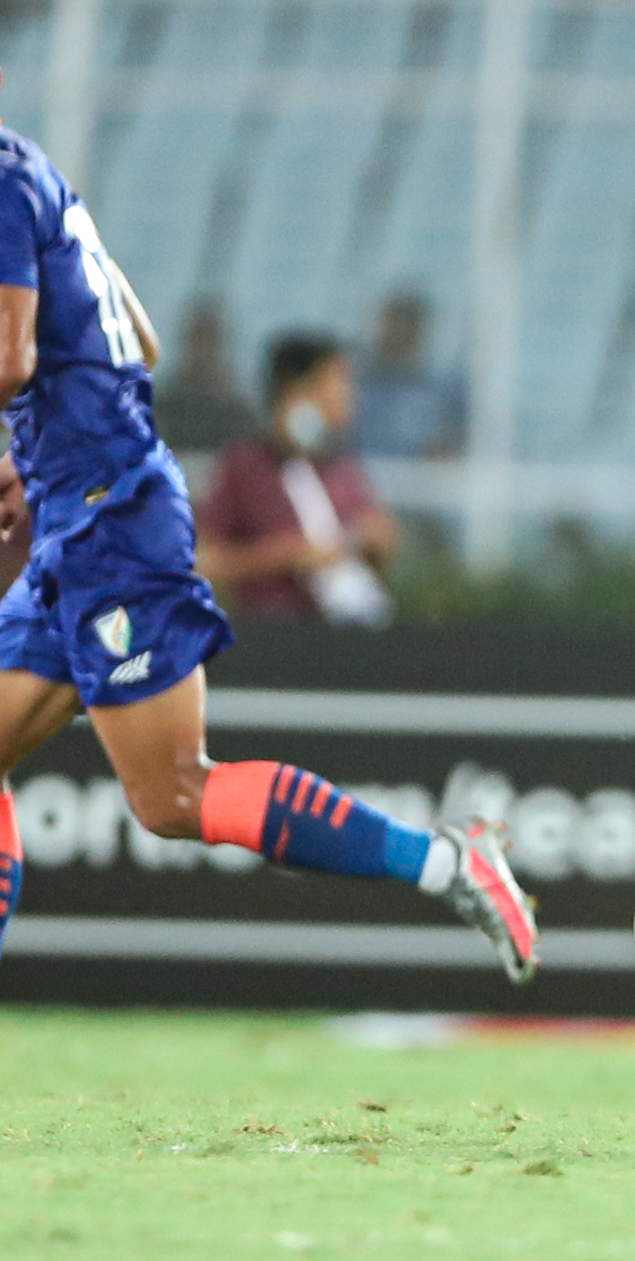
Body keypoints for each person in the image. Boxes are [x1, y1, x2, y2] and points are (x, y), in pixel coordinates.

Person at [0, 118, 534, 979]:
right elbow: (139, 343)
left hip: (108, 520)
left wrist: (59, 446)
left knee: (174, 792)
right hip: (86, 502)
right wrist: (42, 451)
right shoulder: (31, 174)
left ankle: (447, 862)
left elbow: (9, 358)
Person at [200, 334, 398, 625]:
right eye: (338, 382)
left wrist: (375, 543)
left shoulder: (343, 468)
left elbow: (372, 548)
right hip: (270, 631)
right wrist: (286, 555)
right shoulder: (244, 466)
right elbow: (206, 563)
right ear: (297, 389)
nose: (350, 396)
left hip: (342, 634)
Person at [352, 289, 466, 459]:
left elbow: (463, 434)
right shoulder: (354, 380)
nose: (399, 334)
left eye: (407, 326)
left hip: (419, 472)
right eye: (394, 325)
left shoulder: (444, 388)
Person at [152, 300, 258, 453]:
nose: (203, 353)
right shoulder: (162, 408)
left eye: (209, 343)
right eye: (197, 342)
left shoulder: (239, 416)